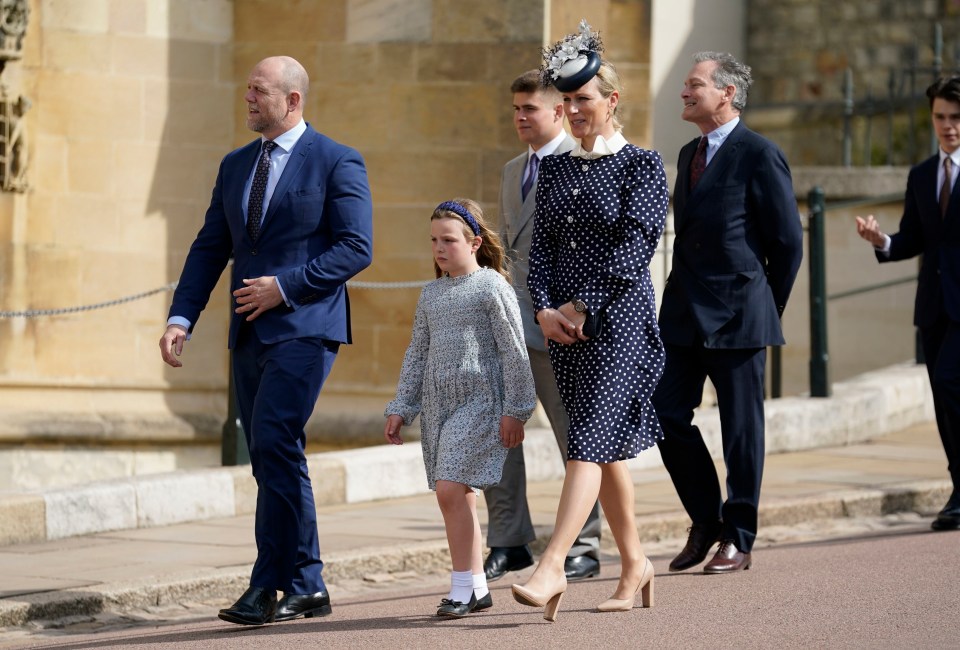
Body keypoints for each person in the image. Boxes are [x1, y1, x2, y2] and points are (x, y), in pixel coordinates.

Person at [159, 55, 373, 625]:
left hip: (306, 325)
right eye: (247, 91)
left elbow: (356, 248)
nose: (248, 99)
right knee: (269, 454)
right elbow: (210, 248)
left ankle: (273, 583)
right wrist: (182, 318)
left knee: (275, 438)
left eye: (259, 91)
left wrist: (286, 288)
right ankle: (300, 583)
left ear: (293, 99)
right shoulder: (234, 166)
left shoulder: (336, 159)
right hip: (248, 331)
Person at [511, 20, 668, 622]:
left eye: (583, 99)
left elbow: (635, 248)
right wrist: (546, 310)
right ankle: (636, 564)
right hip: (566, 329)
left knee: (587, 444)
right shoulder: (554, 169)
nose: (573, 110)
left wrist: (581, 306)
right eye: (567, 101)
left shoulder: (642, 166)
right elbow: (543, 250)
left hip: (622, 324)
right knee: (605, 453)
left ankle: (553, 565)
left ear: (611, 101)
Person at [652, 51, 803, 574]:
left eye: (694, 84)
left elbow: (787, 244)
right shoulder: (687, 151)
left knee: (741, 429)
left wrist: (764, 305)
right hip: (684, 314)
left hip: (740, 313)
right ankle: (706, 519)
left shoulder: (760, 153)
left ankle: (739, 536)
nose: (684, 92)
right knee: (665, 414)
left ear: (727, 92)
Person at [384, 199, 537, 618]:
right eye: (434, 240)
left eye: (448, 240)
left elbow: (513, 351)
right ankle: (477, 587)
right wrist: (402, 406)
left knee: (451, 488)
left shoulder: (492, 287)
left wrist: (517, 409)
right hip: (439, 405)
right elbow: (417, 352)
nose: (439, 247)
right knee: (456, 495)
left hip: (482, 401)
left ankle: (460, 590)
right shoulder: (431, 293)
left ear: (474, 243)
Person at [481, 69, 603, 584]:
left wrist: (569, 313)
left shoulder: (583, 166)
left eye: (529, 108)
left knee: (574, 436)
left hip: (560, 330)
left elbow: (595, 254)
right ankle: (509, 541)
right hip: (508, 328)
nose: (519, 118)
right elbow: (509, 251)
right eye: (515, 110)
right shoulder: (513, 169)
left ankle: (585, 542)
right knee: (496, 432)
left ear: (558, 111)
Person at [854, 77, 960, 532]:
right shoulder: (921, 175)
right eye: (940, 117)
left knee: (954, 385)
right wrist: (882, 241)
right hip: (934, 306)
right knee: (943, 396)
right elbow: (912, 239)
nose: (948, 127)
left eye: (956, 118)